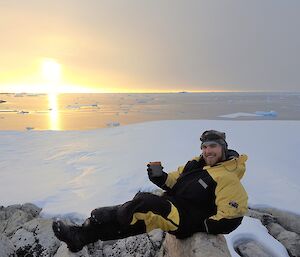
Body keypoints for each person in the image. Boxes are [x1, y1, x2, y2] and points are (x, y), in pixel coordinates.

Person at [52, 130, 248, 252]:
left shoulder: (228, 177)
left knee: (142, 203)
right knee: (136, 217)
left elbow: (231, 218)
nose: (207, 151)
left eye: (212, 146)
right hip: (174, 205)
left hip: (186, 217)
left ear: (223, 148)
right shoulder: (197, 165)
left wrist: (198, 225)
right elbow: (174, 180)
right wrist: (159, 176)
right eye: (204, 147)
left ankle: (113, 216)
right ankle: (80, 237)